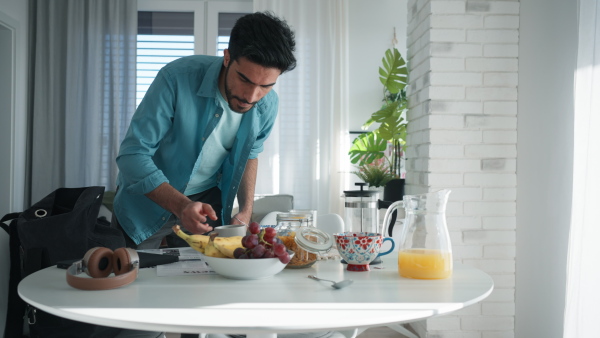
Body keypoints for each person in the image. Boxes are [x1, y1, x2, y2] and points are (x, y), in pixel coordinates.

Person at [108, 11, 296, 338]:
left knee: (200, 309)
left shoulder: (268, 105)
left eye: (265, 86)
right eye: (245, 80)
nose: (251, 97)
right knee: (134, 319)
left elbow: (251, 153)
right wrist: (181, 206)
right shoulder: (177, 78)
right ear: (227, 57)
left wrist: (246, 210)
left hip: (208, 207)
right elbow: (131, 155)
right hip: (146, 205)